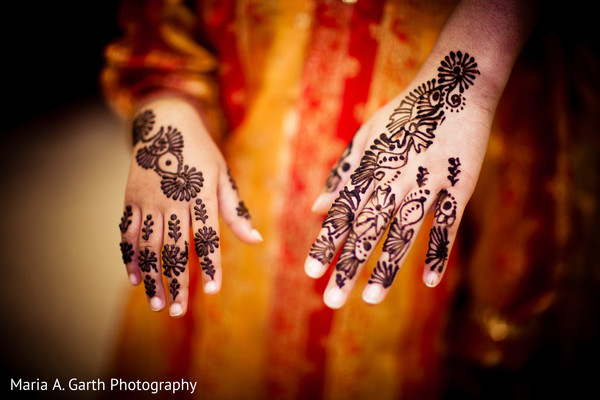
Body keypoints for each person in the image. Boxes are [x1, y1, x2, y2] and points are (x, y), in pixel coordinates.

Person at [105, 0, 599, 398]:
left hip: (402, 301)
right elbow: (163, 46)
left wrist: (475, 73)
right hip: (209, 258)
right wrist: (166, 113)